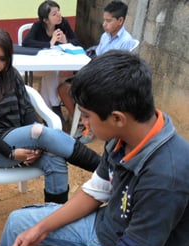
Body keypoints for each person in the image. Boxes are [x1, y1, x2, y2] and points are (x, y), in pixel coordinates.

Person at [0, 50, 189, 246]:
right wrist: (40, 228)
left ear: (117, 118)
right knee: (20, 222)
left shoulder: (166, 178)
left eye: (86, 116)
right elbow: (95, 192)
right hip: (106, 229)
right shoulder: (125, 135)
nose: (84, 124)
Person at [0, 28, 100, 204]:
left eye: (2, 59)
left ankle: (55, 219)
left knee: (55, 160)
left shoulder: (10, 75)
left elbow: (27, 109)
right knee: (39, 131)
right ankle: (104, 167)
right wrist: (12, 153)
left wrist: (37, 147)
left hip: (23, 141)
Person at [58, 0, 136, 144]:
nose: (104, 24)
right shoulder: (105, 36)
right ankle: (82, 122)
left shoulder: (126, 41)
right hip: (95, 75)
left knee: (87, 94)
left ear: (120, 21)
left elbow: (120, 69)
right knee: (63, 88)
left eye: (108, 21)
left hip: (110, 81)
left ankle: (90, 128)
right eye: (104, 20)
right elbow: (97, 57)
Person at [22, 0, 80, 123]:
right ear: (45, 19)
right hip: (36, 68)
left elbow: (76, 41)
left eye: (59, 11)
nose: (59, 15)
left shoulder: (63, 23)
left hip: (51, 68)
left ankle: (49, 117)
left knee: (50, 74)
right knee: (50, 73)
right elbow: (26, 42)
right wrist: (50, 43)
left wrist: (66, 41)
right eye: (54, 14)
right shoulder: (38, 26)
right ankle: (55, 106)